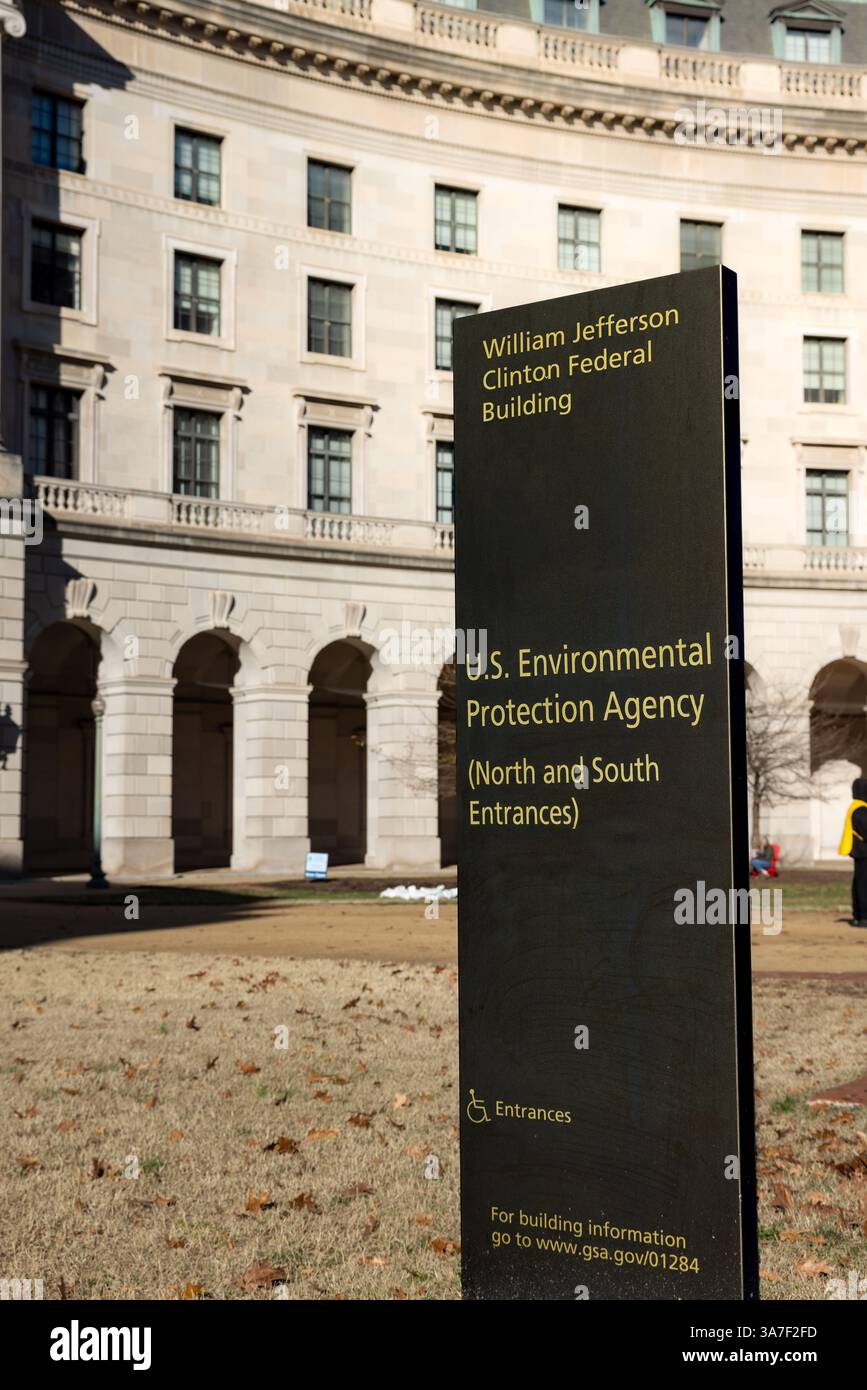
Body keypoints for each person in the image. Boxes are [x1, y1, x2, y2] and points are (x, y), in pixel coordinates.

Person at [838, 777, 867, 928]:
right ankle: (863, 916)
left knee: (859, 884)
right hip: (864, 852)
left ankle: (858, 915)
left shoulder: (856, 806)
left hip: (860, 852)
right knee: (863, 885)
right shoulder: (861, 809)